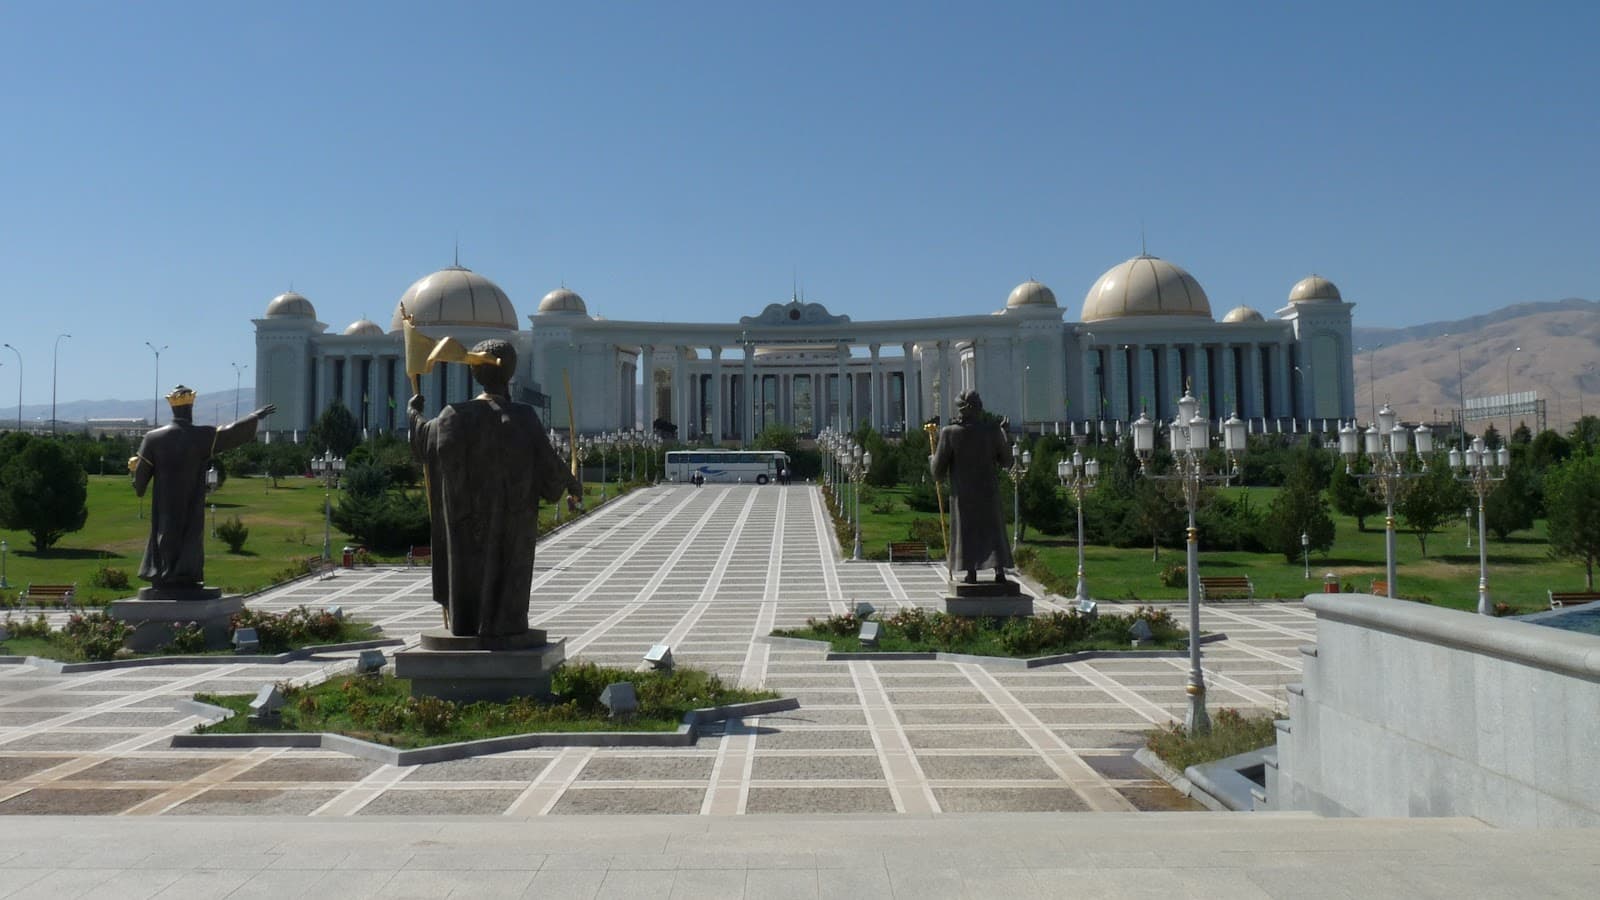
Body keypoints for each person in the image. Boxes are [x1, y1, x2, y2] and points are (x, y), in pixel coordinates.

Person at [410, 340, 580, 639]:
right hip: (515, 522)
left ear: (475, 372)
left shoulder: (455, 415)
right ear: (510, 373)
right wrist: (570, 480)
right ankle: (507, 625)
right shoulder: (525, 417)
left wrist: (414, 415)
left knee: (470, 576)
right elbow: (549, 464)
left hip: (469, 523)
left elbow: (429, 441)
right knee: (510, 574)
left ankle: (469, 625)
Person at [130, 387, 275, 590]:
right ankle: (185, 574)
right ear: (190, 408)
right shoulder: (201, 436)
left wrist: (138, 481)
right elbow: (231, 433)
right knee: (190, 532)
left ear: (172, 409)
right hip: (191, 497)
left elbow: (140, 478)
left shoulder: (153, 438)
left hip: (165, 499)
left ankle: (164, 574)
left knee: (166, 531)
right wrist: (254, 417)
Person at [929, 390, 1014, 584]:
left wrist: (931, 458)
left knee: (967, 531)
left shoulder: (950, 433)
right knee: (992, 530)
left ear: (961, 409)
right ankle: (999, 570)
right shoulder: (992, 431)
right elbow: (1007, 461)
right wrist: (1003, 434)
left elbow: (937, 472)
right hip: (988, 493)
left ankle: (971, 573)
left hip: (964, 495)